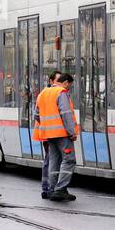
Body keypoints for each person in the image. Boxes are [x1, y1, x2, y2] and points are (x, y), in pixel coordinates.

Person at [37, 72, 79, 202]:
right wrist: (72, 132)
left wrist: (48, 125)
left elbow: (36, 115)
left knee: (54, 162)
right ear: (65, 82)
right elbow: (66, 113)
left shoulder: (43, 93)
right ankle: (60, 189)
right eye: (69, 86)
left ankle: (52, 189)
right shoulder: (61, 92)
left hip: (48, 135)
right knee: (69, 160)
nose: (68, 89)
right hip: (62, 134)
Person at [34, 71, 61, 199]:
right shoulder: (55, 94)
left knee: (48, 161)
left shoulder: (43, 94)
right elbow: (37, 114)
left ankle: (46, 188)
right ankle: (50, 188)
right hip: (51, 133)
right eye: (58, 80)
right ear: (51, 81)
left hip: (46, 132)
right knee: (52, 161)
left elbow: (36, 115)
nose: (60, 83)